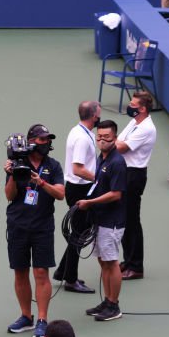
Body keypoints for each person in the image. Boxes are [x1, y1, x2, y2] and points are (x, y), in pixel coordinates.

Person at [3, 124, 66, 337]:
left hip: (42, 228)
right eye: (41, 140)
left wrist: (41, 182)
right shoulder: (18, 164)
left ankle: (42, 320)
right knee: (20, 272)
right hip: (18, 226)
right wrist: (11, 175)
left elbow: (60, 194)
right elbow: (9, 196)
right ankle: (25, 317)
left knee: (41, 273)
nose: (46, 143)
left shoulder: (53, 166)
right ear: (31, 142)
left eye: (48, 139)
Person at [77, 120, 127, 322]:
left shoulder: (117, 162)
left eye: (106, 137)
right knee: (103, 261)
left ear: (114, 138)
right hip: (100, 219)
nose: (102, 140)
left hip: (112, 222)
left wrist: (90, 202)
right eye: (99, 136)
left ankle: (114, 305)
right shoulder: (102, 158)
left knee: (112, 262)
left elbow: (116, 194)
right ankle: (107, 300)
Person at [55, 101, 100, 294]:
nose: (100, 117)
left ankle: (63, 272)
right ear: (93, 116)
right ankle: (71, 279)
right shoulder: (82, 138)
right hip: (80, 189)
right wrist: (99, 178)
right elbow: (78, 168)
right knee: (79, 234)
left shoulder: (80, 131)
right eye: (98, 114)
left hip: (77, 188)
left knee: (79, 232)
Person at [116, 91, 157, 280]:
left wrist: (108, 142)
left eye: (133, 104)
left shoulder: (147, 128)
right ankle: (128, 260)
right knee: (124, 220)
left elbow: (121, 146)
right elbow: (119, 139)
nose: (130, 106)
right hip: (126, 173)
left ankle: (136, 267)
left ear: (142, 108)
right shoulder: (135, 122)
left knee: (132, 221)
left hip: (135, 175)